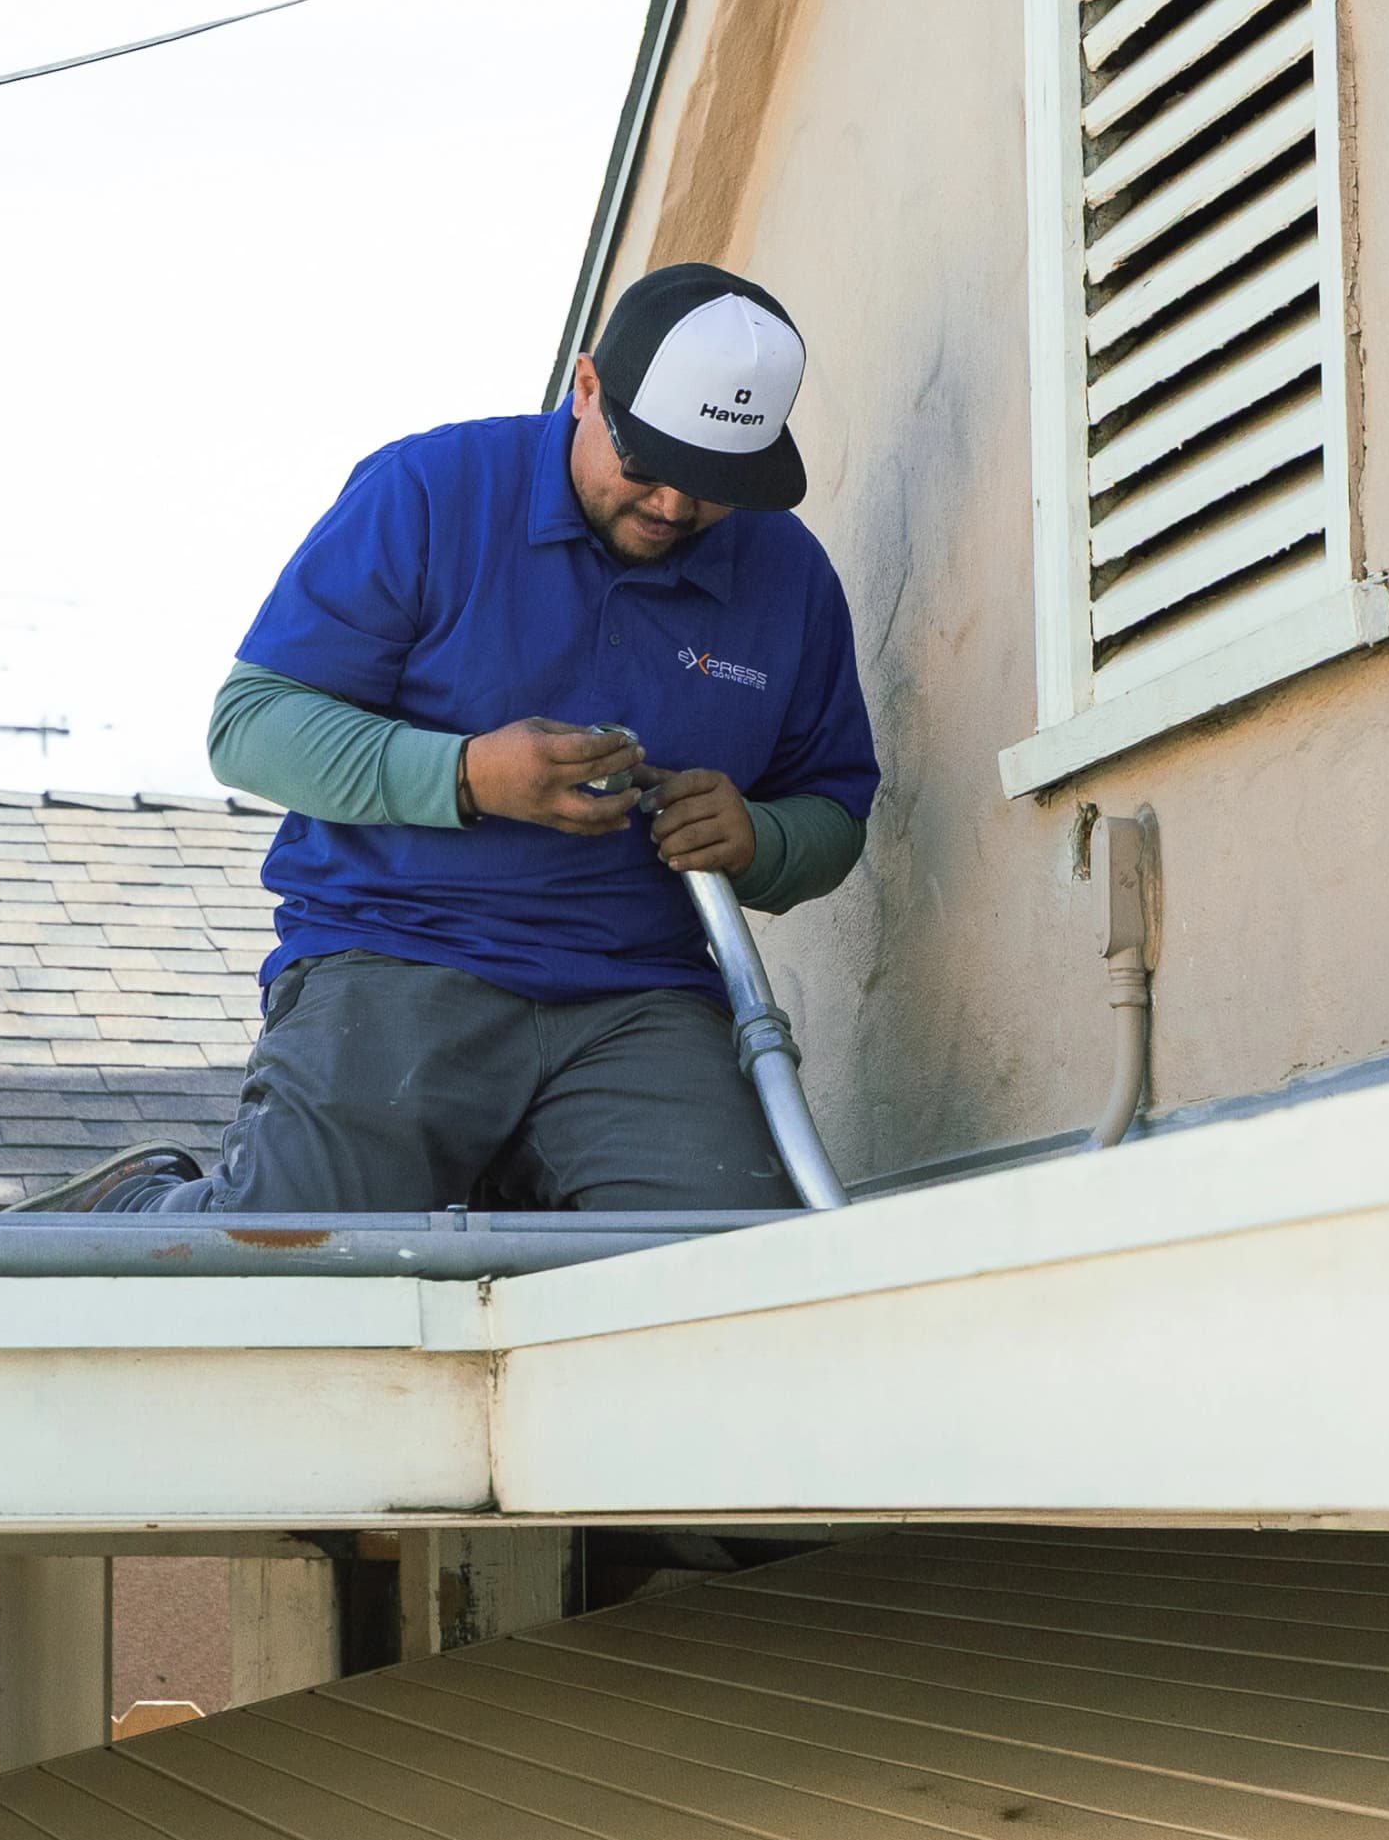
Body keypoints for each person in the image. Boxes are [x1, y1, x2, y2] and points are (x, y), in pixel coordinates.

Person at [70, 262, 876, 1213]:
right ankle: (129, 1211)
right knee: (290, 1266)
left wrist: (760, 840)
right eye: (648, 465)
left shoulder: (791, 576)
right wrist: (468, 775)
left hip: (640, 994)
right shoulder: (430, 490)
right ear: (585, 388)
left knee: (730, 1274)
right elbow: (251, 726)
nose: (671, 508)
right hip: (394, 951)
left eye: (712, 487)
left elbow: (834, 807)